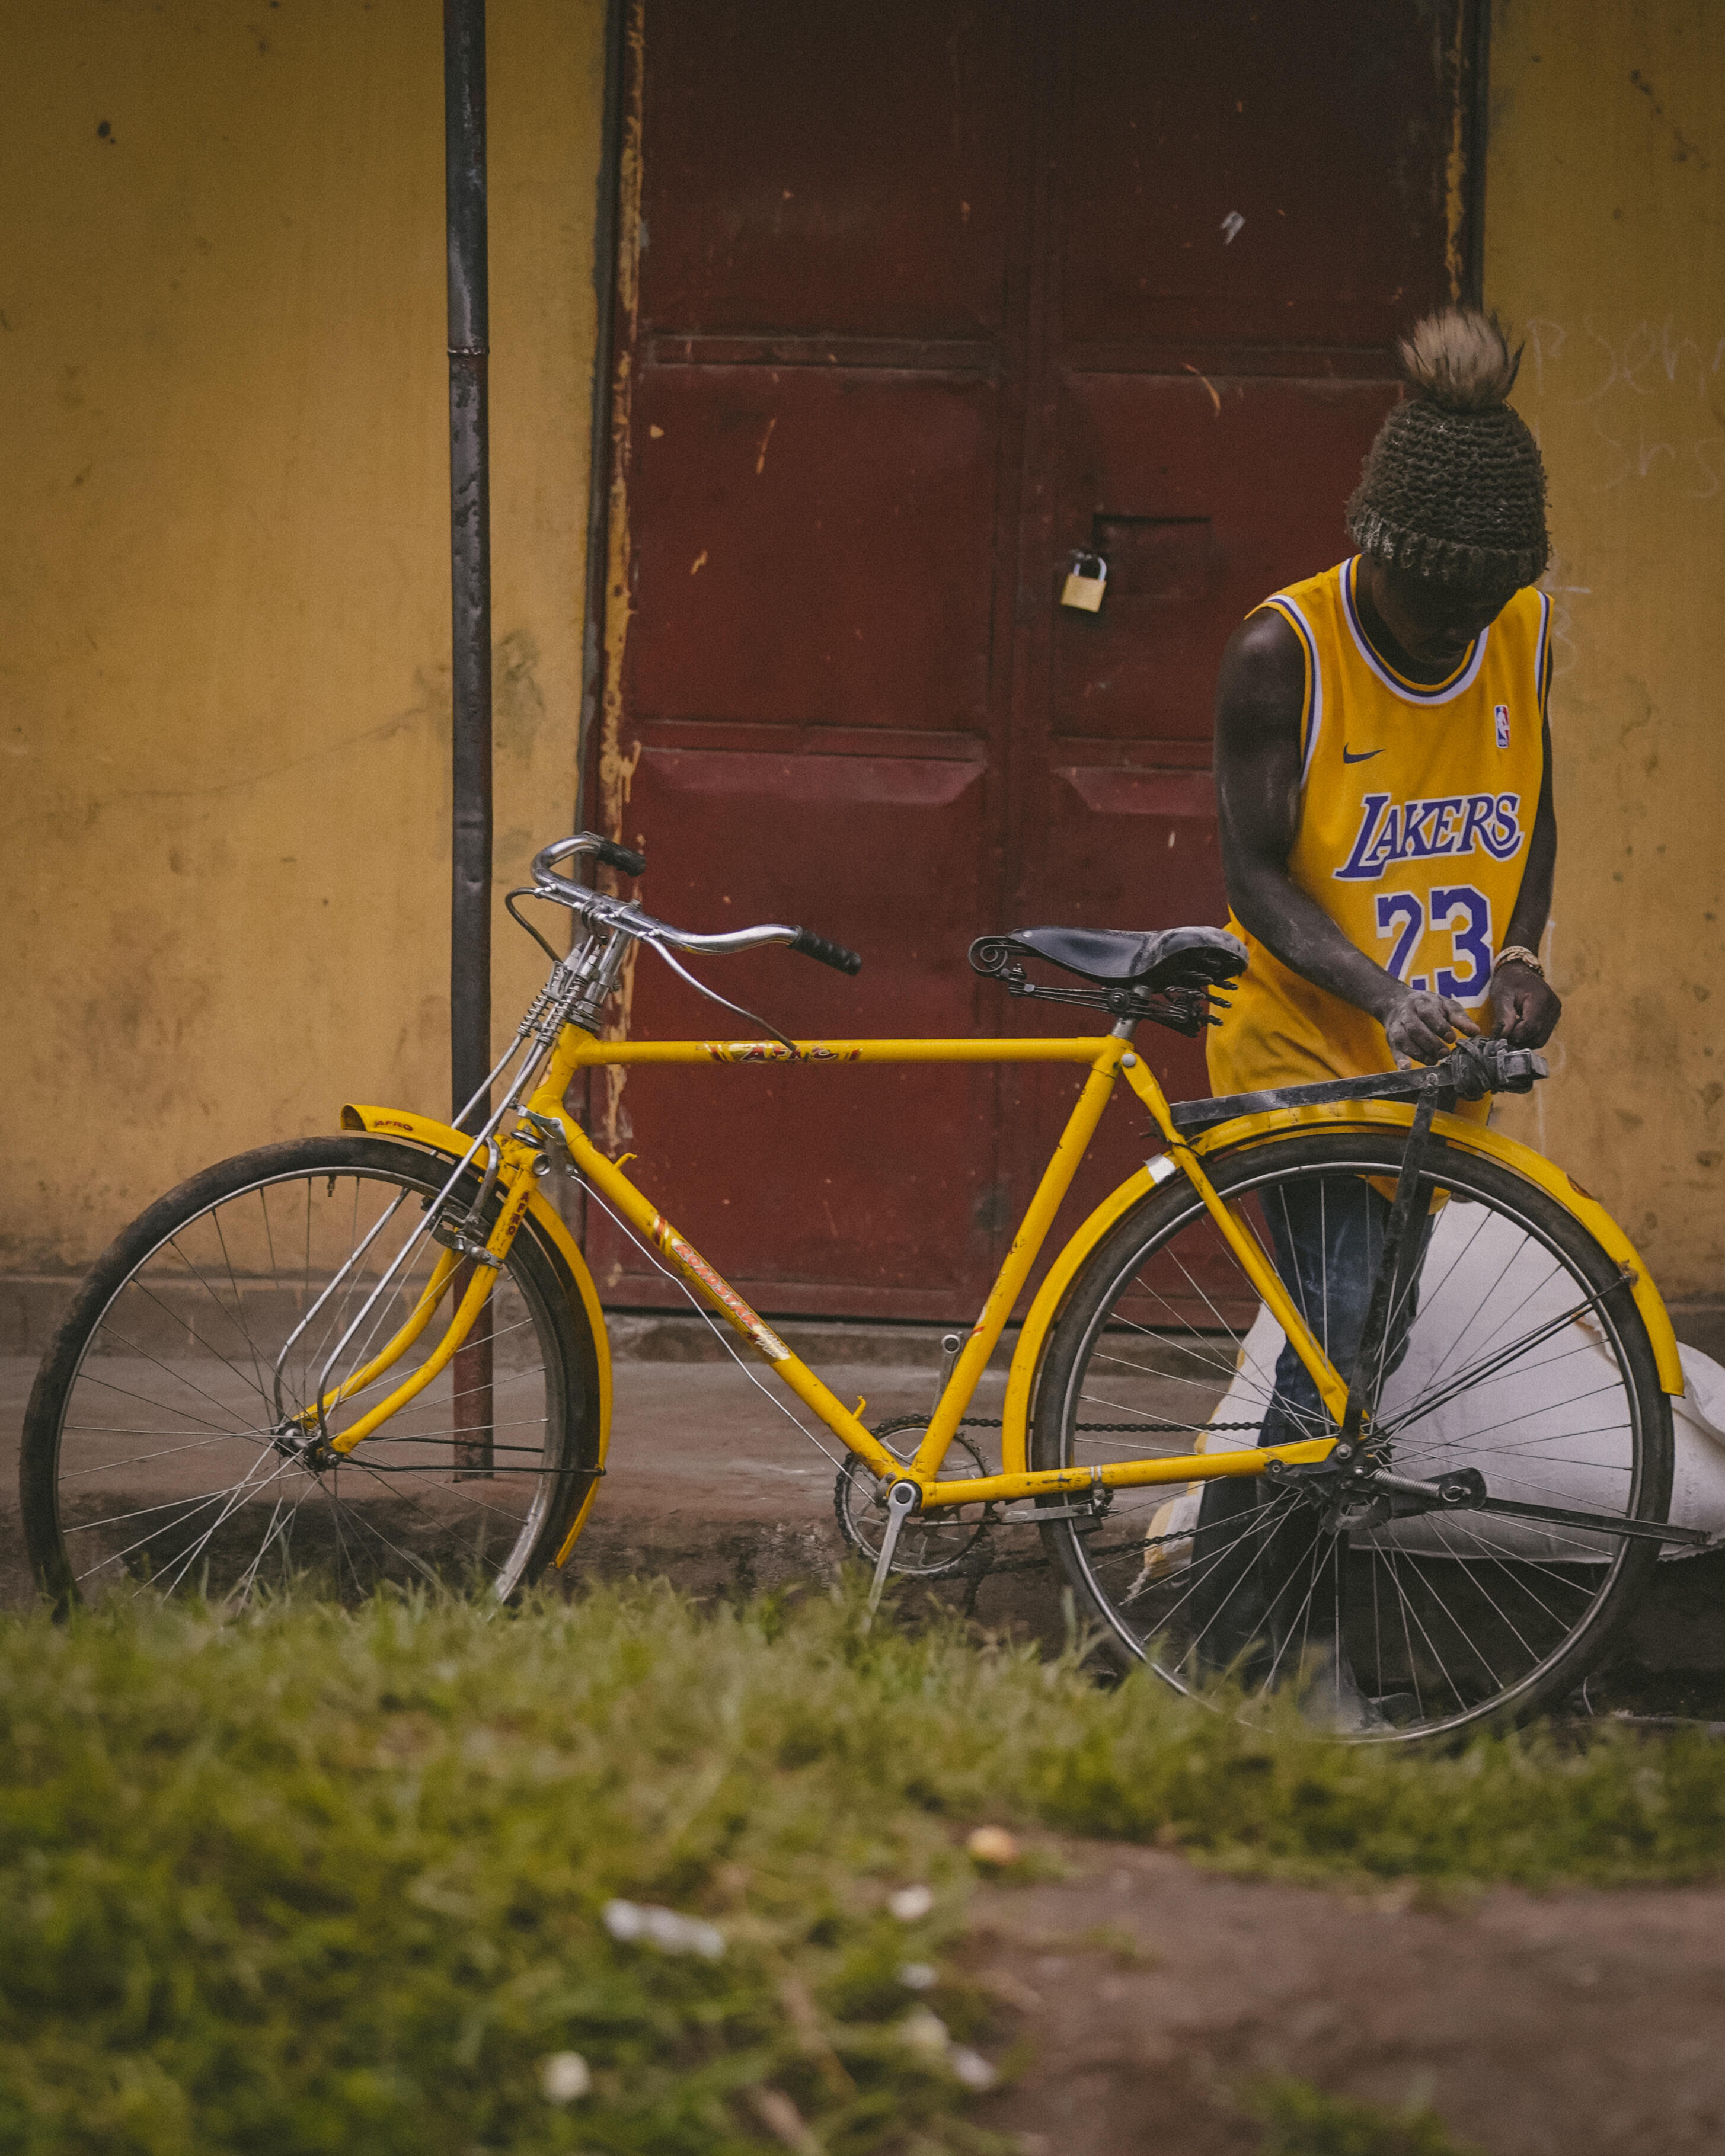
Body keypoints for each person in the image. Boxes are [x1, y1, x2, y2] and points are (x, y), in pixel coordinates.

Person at [1189, 308, 1564, 1723]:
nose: (1458, 632)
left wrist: (1518, 955)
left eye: (1481, 606)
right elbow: (1256, 878)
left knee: (1354, 1366)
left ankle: (1213, 1648)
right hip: (1305, 1054)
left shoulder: (1518, 631)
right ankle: (1261, 1664)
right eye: (1434, 606)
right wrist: (1381, 992)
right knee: (1337, 1367)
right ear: (1382, 551)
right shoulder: (1280, 651)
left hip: (1436, 1073)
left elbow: (1534, 813)